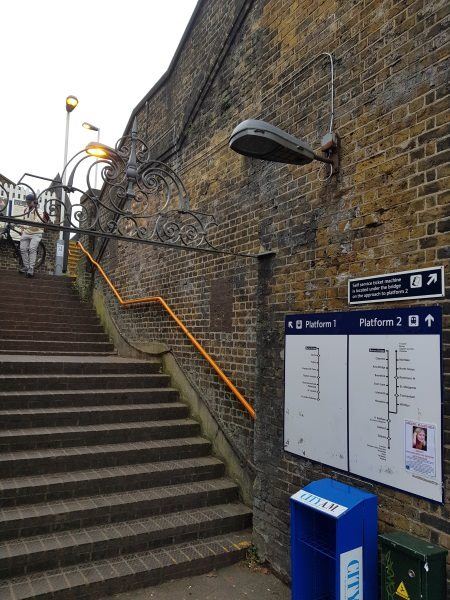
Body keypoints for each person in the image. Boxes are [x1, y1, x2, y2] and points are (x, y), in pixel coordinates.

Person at [19, 192, 48, 277]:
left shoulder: (39, 211)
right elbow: (22, 220)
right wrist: (22, 229)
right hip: (26, 232)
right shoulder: (25, 210)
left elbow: (37, 222)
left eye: (29, 202)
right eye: (27, 202)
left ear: (34, 202)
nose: (28, 203)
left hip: (36, 232)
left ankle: (31, 269)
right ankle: (26, 266)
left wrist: (25, 226)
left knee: (32, 249)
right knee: (23, 249)